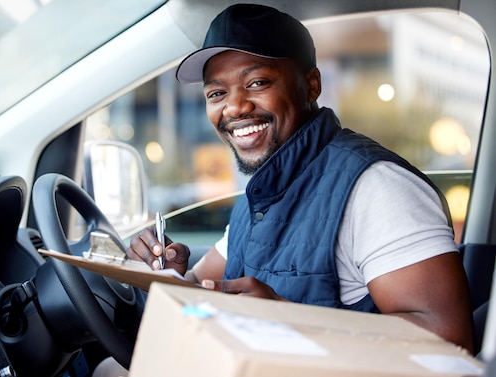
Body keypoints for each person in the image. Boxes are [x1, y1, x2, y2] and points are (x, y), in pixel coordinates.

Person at [125, 2, 475, 354]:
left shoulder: (376, 187)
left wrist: (293, 321)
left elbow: (449, 338)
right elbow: (199, 286)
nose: (234, 107)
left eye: (257, 82)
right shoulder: (260, 196)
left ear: (311, 85)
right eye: (217, 93)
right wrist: (166, 272)